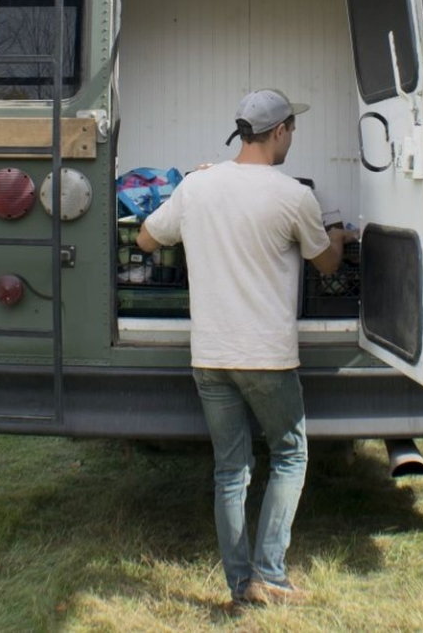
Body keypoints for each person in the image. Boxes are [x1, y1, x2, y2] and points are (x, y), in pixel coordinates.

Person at [137, 88, 356, 610]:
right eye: (292, 130)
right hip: (266, 357)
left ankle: (241, 588)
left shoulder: (197, 186)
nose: (292, 138)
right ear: (278, 132)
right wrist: (338, 237)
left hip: (209, 356)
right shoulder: (292, 196)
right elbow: (326, 266)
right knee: (289, 454)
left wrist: (197, 190)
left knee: (230, 470)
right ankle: (270, 577)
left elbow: (146, 241)